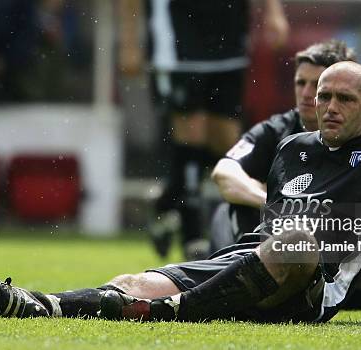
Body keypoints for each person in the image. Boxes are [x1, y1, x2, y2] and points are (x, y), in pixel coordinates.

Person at [0, 62, 361, 326]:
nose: (328, 105)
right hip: (256, 263)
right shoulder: (291, 147)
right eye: (323, 95)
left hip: (313, 287)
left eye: (343, 99)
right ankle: (35, 306)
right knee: (135, 281)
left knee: (299, 240)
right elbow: (261, 220)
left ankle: (174, 314)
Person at [209, 39, 361, 302]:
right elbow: (224, 171)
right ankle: (235, 276)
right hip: (291, 256)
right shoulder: (280, 129)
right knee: (229, 207)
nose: (306, 93)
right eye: (301, 83)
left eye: (317, 86)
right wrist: (278, 206)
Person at [118, 0, 289, 259]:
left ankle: (165, 202)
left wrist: (274, 12)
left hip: (228, 34)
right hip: (177, 36)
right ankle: (194, 238)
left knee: (226, 144)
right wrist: (129, 40)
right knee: (192, 134)